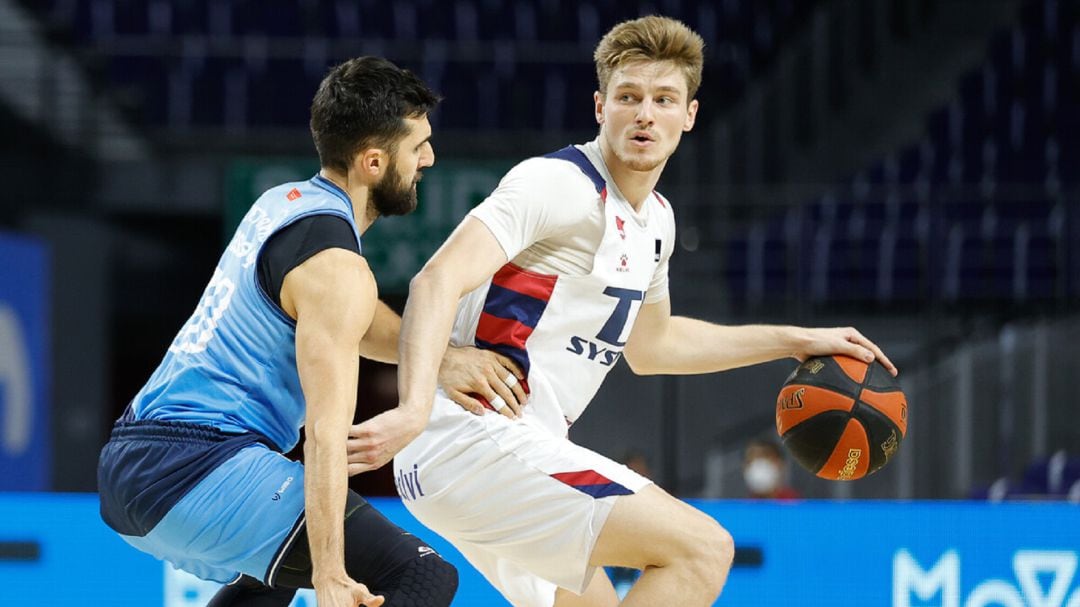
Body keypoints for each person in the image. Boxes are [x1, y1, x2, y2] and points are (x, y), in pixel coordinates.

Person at [383, 16, 899, 607]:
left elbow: (655, 348)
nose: (644, 114)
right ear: (601, 107)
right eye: (628, 97)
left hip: (503, 454)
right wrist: (417, 399)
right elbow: (434, 281)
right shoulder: (557, 184)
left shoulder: (657, 221)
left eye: (663, 99)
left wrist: (792, 340)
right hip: (473, 440)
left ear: (690, 114)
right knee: (703, 549)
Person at [97, 56, 526, 607]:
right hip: (198, 466)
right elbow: (325, 434)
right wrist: (329, 572)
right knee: (421, 578)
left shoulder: (282, 204)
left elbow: (359, 321)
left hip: (137, 461)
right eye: (416, 145)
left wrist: (441, 359)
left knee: (272, 580)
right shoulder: (338, 271)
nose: (429, 158)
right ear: (374, 161)